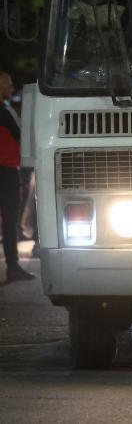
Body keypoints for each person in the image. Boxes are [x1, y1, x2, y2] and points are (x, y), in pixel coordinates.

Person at [0, 72, 34, 283]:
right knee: (10, 221)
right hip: (7, 171)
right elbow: (22, 136)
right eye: (9, 85)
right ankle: (13, 268)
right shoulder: (5, 111)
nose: (12, 88)